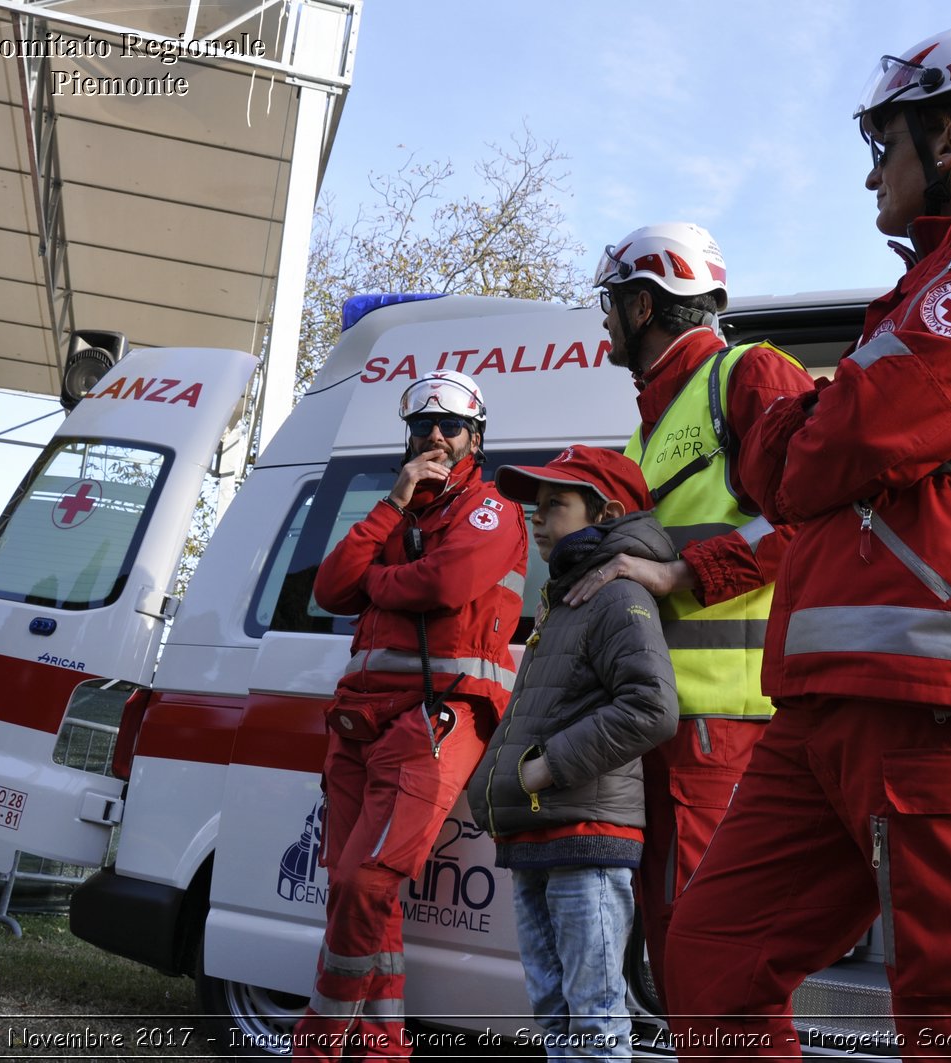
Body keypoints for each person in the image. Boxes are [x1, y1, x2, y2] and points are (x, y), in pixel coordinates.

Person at [662, 23, 951, 1058]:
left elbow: (859, 432)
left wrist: (784, 415)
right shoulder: (934, 279)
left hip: (939, 688)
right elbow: (821, 457)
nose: (873, 170)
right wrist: (803, 435)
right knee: (710, 966)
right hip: (832, 694)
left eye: (887, 143)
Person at [569, 222, 813, 991]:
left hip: (722, 732)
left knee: (708, 961)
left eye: (610, 303)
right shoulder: (650, 427)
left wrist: (682, 575)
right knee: (675, 954)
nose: (603, 320)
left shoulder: (750, 374)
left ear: (643, 305)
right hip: (660, 725)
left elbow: (814, 514)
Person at [292, 370, 528, 1061]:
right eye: (420, 427)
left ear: (474, 439)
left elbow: (446, 584)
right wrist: (392, 505)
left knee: (368, 880)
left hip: (436, 716)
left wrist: (377, 582)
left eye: (448, 427)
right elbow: (331, 587)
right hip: (357, 721)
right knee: (351, 885)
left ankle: (318, 1041)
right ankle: (384, 1045)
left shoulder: (492, 508)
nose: (432, 437)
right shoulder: (394, 509)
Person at [467, 445, 679, 1061]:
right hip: (540, 833)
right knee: (554, 1012)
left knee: (592, 1017)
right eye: (534, 506)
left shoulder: (616, 596)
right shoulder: (566, 595)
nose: (537, 517)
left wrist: (543, 768)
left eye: (554, 503)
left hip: (585, 836)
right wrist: (494, 783)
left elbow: (650, 707)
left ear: (606, 510)